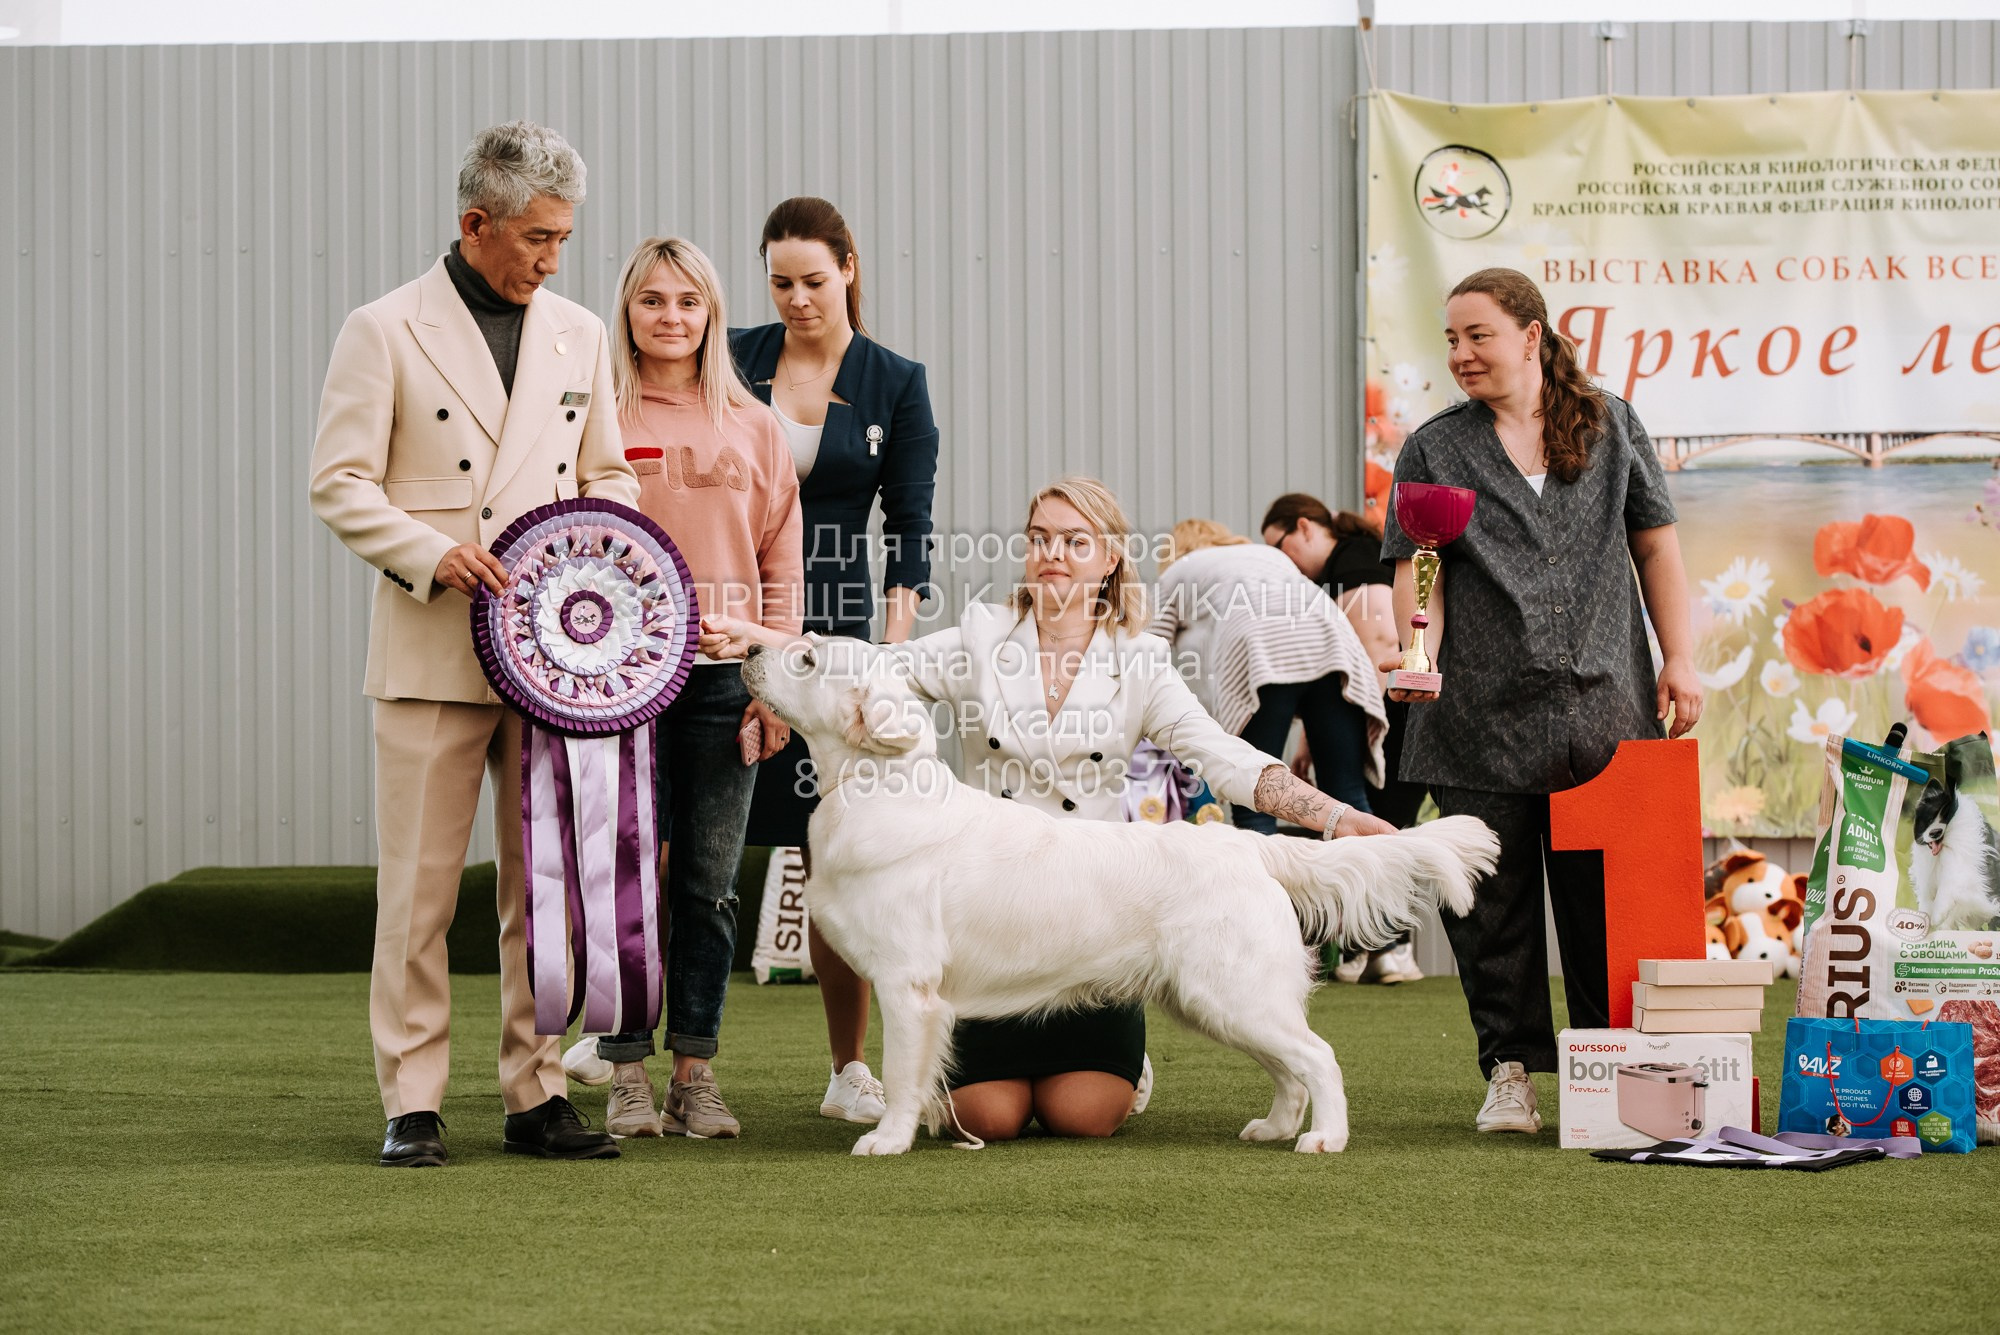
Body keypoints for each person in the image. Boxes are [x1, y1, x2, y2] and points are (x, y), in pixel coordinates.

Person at [701, 478, 1395, 1143]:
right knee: (987, 1117)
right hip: (995, 923)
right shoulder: (981, 635)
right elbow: (873, 666)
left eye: (1074, 541)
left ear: (1111, 557)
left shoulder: (1140, 662)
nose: (1053, 555)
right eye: (1039, 538)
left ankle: (1130, 1053)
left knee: (1082, 1115)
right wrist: (762, 640)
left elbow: (1222, 756)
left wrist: (1334, 817)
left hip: (1094, 912)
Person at [308, 121, 637, 1166]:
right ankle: (411, 1101)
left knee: (538, 886)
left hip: (551, 659)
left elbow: (610, 477)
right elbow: (338, 483)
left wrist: (591, 566)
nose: (552, 259)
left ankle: (535, 1092)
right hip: (429, 655)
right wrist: (429, 554)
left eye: (564, 239)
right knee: (417, 889)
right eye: (537, 238)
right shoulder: (382, 328)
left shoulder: (580, 333)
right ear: (474, 224)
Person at [1378, 267, 1701, 1135]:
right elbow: (1423, 566)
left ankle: (1613, 1072)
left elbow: (1658, 551)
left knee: (1606, 905)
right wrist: (1418, 652)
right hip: (1477, 713)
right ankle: (1510, 1073)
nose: (1460, 354)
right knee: (1493, 913)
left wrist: (1684, 659)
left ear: (1531, 334)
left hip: (1606, 707)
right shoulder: (1433, 448)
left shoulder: (1611, 423)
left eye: (1477, 334)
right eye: (1449, 338)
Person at [583, 238, 803, 1141]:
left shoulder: (753, 426)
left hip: (724, 684)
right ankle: (625, 1072)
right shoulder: (592, 416)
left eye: (689, 301)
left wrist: (773, 682)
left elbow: (780, 560)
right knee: (625, 881)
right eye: (652, 300)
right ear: (627, 310)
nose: (670, 317)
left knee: (710, 883)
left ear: (712, 314)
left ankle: (695, 1072)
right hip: (621, 684)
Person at [730, 197, 940, 1125]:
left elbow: (911, 530)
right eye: (781, 282)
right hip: (726, 610)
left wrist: (890, 656)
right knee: (684, 829)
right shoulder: (730, 357)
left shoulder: (896, 380)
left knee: (834, 856)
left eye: (815, 279)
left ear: (850, 267)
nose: (798, 298)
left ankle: (848, 1068)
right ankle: (631, 1042)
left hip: (839, 625)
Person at [1262, 485, 1427, 985]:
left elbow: (1376, 644)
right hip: (1385, 716)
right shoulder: (1342, 570)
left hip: (1395, 716)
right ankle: (1375, 947)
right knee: (1373, 826)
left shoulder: (1355, 562)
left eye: (1278, 547)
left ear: (1305, 528)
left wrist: (1368, 726)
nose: (1279, 561)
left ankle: (1388, 945)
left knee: (1379, 829)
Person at [1147, 519, 1385, 832]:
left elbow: (1148, 649)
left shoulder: (1178, 571)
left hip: (1260, 648)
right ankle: (1377, 878)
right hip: (1333, 644)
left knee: (1254, 800)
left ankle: (1259, 882)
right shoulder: (1269, 556)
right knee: (1348, 795)